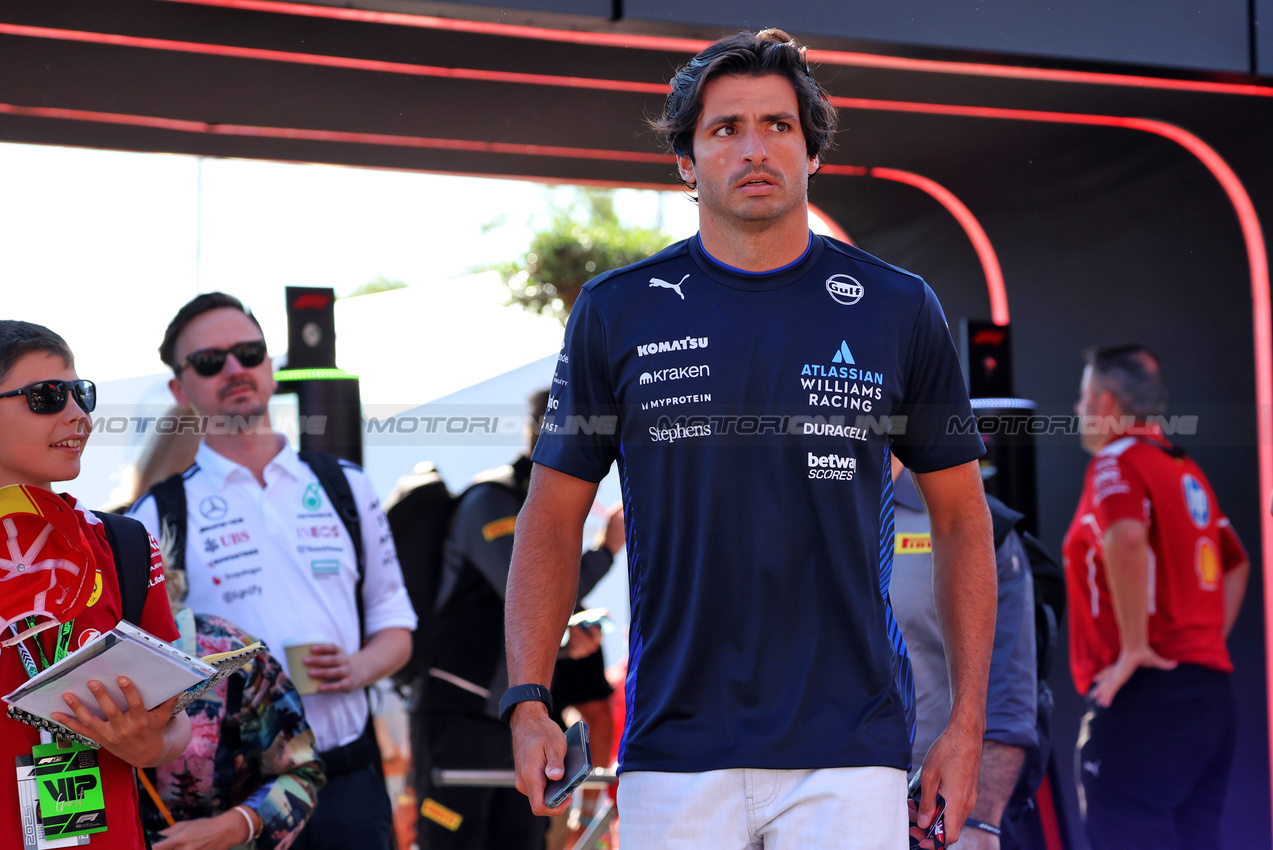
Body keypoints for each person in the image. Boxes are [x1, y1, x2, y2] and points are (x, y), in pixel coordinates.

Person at [503, 29, 996, 849]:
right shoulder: (616, 308)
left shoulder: (896, 307)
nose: (754, 147)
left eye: (777, 125)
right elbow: (552, 515)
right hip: (671, 748)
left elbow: (961, 520)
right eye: (725, 128)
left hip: (851, 749)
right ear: (687, 161)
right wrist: (527, 698)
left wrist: (965, 723)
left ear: (812, 153)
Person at [130, 292, 417, 850]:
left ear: (270, 365)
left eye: (248, 352)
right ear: (179, 388)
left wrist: (358, 667)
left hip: (348, 774)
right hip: (233, 798)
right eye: (211, 361)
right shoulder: (158, 514)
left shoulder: (345, 484)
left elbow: (395, 622)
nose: (235, 369)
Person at [0, 320, 192, 850]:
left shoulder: (126, 544)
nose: (78, 415)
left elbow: (178, 721)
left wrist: (151, 746)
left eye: (80, 394)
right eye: (45, 396)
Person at [413, 389, 623, 850]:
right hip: (459, 714)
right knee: (453, 841)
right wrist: (605, 551)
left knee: (521, 838)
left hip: (518, 714)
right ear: (537, 434)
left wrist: (567, 645)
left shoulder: (551, 508)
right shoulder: (490, 499)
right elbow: (526, 584)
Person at [1063, 344, 1248, 849]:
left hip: (1144, 693)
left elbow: (1125, 538)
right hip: (1208, 693)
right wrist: (1198, 640)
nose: (1077, 411)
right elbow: (1236, 562)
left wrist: (1137, 648)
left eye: (1081, 398)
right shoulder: (1185, 469)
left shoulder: (1115, 460)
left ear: (1104, 403)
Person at [889, 457, 1037, 849]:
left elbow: (1010, 695)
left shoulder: (979, 527)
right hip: (821, 794)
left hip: (929, 813)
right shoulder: (806, 510)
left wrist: (981, 824)